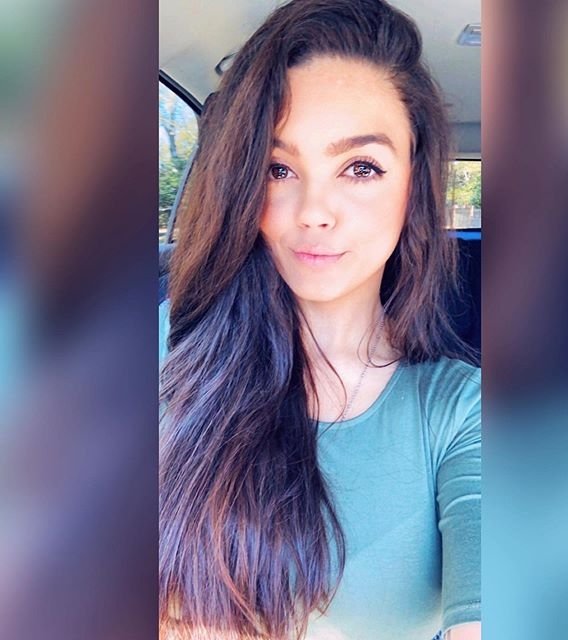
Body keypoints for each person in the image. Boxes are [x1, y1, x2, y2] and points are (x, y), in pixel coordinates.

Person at [159, 1, 481, 638]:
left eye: (360, 168)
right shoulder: (169, 347)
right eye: (278, 169)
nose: (314, 211)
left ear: (413, 184)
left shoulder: (460, 411)